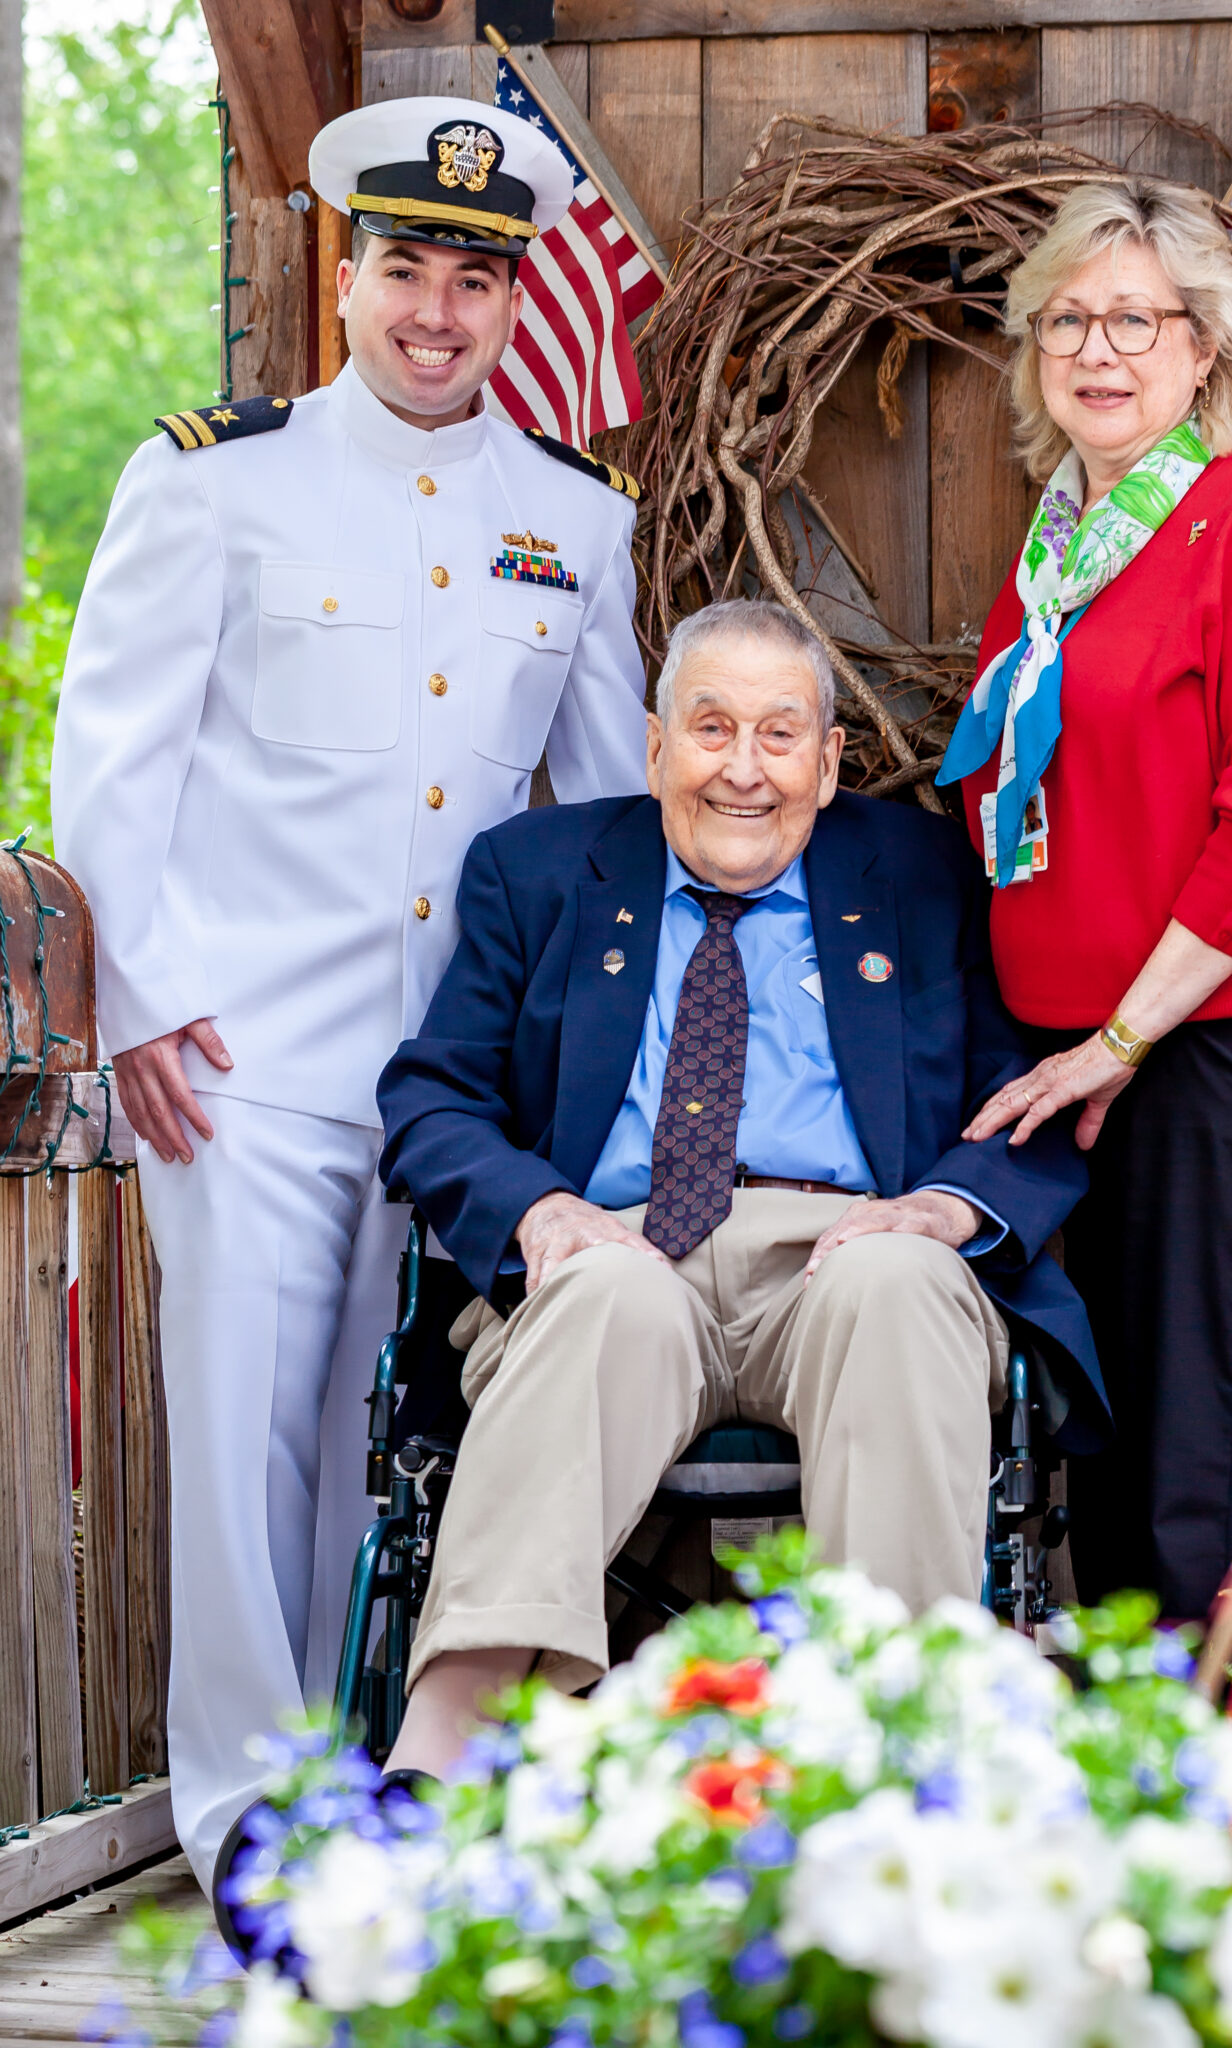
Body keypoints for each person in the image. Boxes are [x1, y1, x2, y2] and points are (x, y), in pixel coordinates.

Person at [50, 96, 651, 1885]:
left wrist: (587, 1071)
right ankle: (251, 1811)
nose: (438, 312)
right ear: (347, 278)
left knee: (385, 1446)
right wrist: (146, 1001)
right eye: (406, 269)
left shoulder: (572, 520)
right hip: (248, 1053)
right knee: (245, 1437)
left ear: (512, 298)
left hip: (459, 1086)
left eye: (476, 277)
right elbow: (113, 762)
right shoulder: (211, 479)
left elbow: (608, 811)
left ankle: (363, 1779)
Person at [370, 598, 1104, 1777]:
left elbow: (1025, 1093)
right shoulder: (539, 871)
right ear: (656, 747)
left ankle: (897, 1751)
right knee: (610, 1293)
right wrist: (542, 1208)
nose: (744, 770)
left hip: (843, 1255)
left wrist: (942, 1208)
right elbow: (431, 1093)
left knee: (902, 1282)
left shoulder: (918, 874)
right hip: (611, 1253)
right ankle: (442, 1751)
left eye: (779, 734)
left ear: (827, 761)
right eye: (711, 729)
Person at [941, 175, 1232, 1624]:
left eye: (1134, 319)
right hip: (1097, 1065)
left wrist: (1121, 1037)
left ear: (1207, 350)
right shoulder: (1061, 555)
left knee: (1216, 1463)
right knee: (1128, 1453)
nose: (1097, 350)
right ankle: (1150, 1798)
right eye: (1066, 319)